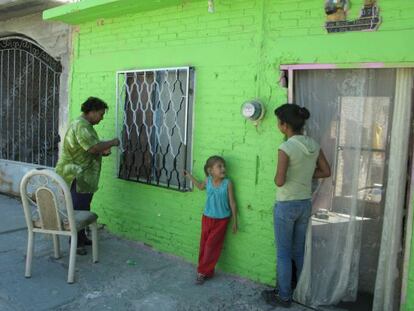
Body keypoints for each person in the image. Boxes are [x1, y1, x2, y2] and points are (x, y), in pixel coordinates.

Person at [262, 103, 331, 308]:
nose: (278, 125)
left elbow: (279, 181)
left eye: (278, 122)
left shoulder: (286, 147)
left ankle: (284, 296)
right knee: (299, 250)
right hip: (304, 204)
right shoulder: (313, 144)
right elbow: (326, 171)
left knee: (283, 253)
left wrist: (281, 175)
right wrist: (306, 174)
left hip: (286, 205)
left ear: (284, 125)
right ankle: (301, 291)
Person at [55, 97, 119, 255]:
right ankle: (75, 243)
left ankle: (81, 238)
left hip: (82, 175)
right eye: (101, 114)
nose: (102, 117)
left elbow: (89, 148)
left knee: (83, 207)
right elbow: (93, 148)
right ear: (92, 111)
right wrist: (112, 142)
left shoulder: (84, 125)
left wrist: (100, 151)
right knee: (77, 209)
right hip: (77, 175)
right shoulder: (82, 126)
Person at [184, 156, 238, 285]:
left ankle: (202, 272)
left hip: (222, 220)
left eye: (224, 166)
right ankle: (207, 271)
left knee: (211, 246)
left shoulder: (228, 183)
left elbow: (232, 202)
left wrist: (235, 221)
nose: (223, 168)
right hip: (207, 218)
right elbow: (199, 186)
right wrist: (189, 176)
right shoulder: (208, 181)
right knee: (204, 244)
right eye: (219, 166)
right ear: (210, 170)